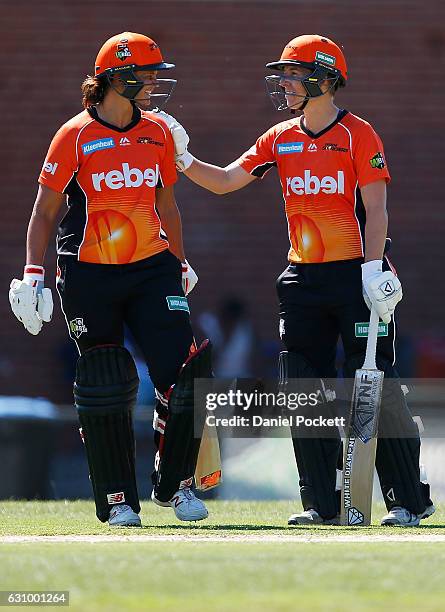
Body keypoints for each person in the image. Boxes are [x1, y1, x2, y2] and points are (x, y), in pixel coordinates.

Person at [158, 34, 435, 526]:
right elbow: (225, 180)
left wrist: (373, 269)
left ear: (325, 79)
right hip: (302, 279)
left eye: (293, 75)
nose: (283, 84)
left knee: (375, 383)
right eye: (282, 75)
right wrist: (182, 158)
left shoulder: (358, 134)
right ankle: (321, 504)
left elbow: (376, 209)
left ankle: (408, 500)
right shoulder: (279, 137)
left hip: (357, 276)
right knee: (305, 386)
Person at [9, 32, 212, 527]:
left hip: (151, 268)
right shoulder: (74, 134)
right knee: (105, 381)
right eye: (145, 76)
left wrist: (180, 261)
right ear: (115, 79)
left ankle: (178, 484)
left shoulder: (159, 133)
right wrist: (32, 272)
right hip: (88, 272)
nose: (153, 85)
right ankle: (119, 499)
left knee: (185, 375)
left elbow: (167, 203)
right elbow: (45, 209)